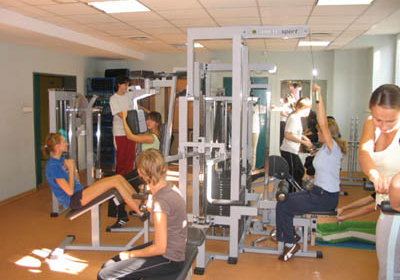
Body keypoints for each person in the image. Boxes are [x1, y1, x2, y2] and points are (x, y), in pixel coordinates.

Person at [276, 84, 347, 261]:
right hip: (317, 192)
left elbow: (322, 122)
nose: (317, 132)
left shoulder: (333, 147)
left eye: (320, 131)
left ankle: (291, 242)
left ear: (326, 133)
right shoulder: (324, 148)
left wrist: (318, 96)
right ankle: (291, 238)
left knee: (283, 206)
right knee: (282, 202)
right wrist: (307, 142)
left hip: (325, 197)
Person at [98, 149, 187, 280]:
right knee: (110, 263)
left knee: (104, 275)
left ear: (140, 173)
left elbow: (160, 248)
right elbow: (169, 216)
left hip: (169, 259)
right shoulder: (170, 187)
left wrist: (131, 255)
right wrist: (152, 209)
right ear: (164, 169)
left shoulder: (161, 202)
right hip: (169, 249)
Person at [43, 133, 145, 218]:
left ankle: (141, 204)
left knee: (118, 178)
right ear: (57, 147)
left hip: (80, 191)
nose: (67, 143)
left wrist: (74, 170)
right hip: (74, 199)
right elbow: (69, 191)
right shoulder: (53, 166)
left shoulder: (61, 161)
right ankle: (141, 212)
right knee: (115, 182)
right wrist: (70, 170)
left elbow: (76, 181)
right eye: (63, 142)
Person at [358, 84, 400, 279]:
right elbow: (364, 152)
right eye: (378, 119)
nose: (383, 126)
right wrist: (374, 174)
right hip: (388, 209)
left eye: (390, 121)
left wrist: (394, 182)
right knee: (388, 270)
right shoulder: (370, 124)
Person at [107, 110, 162, 229]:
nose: (148, 122)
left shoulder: (151, 137)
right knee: (127, 185)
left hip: (143, 174)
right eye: (147, 119)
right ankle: (136, 207)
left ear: (157, 122)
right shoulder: (153, 135)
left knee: (116, 186)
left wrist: (125, 119)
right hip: (143, 171)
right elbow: (135, 136)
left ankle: (122, 216)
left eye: (151, 120)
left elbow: (130, 136)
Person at [108, 76, 137, 225]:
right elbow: (121, 115)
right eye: (125, 85)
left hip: (131, 132)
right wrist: (134, 117)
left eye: (128, 85)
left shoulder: (129, 95)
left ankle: (131, 196)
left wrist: (145, 112)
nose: (127, 87)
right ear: (119, 84)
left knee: (131, 163)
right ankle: (121, 191)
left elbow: (135, 104)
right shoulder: (113, 99)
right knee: (122, 165)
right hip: (120, 132)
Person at [280, 97, 313, 191]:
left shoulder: (297, 117)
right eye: (307, 109)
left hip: (292, 150)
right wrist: (303, 142)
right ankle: (291, 196)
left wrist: (304, 137)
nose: (309, 111)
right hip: (288, 150)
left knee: (300, 172)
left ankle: (295, 193)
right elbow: (287, 135)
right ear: (300, 108)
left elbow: (295, 132)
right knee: (293, 175)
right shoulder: (293, 118)